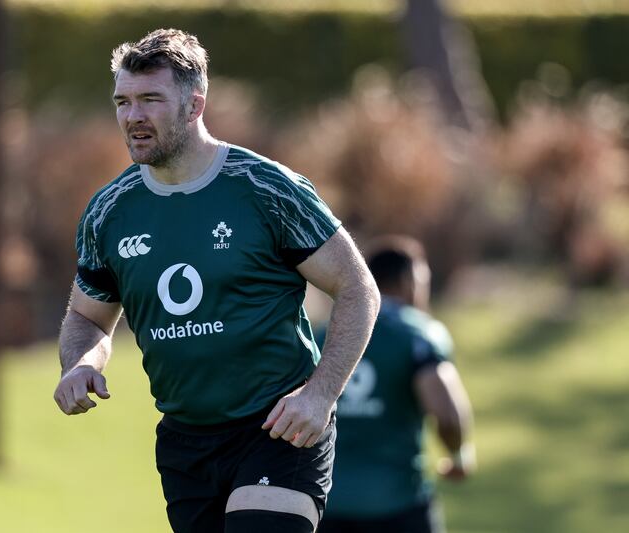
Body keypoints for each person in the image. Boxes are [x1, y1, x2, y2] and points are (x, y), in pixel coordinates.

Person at [52, 28, 381, 533]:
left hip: (277, 427)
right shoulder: (108, 212)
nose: (133, 116)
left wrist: (320, 396)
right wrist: (78, 363)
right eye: (123, 101)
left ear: (194, 105)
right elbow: (87, 316)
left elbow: (358, 289)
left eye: (150, 100)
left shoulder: (267, 190)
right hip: (186, 441)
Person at [319, 236, 476, 533]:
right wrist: (457, 455)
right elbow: (446, 414)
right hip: (398, 506)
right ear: (409, 282)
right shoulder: (418, 333)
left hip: (328, 505)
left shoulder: (321, 335)